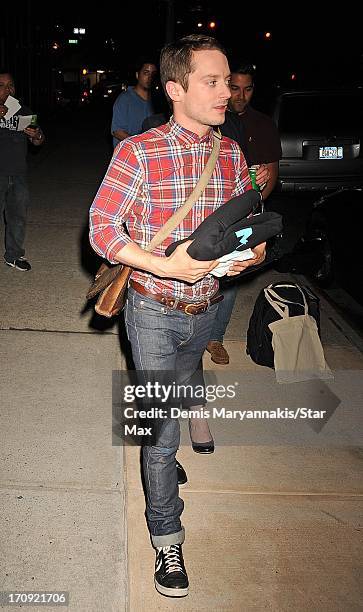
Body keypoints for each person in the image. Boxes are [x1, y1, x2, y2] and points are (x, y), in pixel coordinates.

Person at [89, 34, 266, 598]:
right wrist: (165, 265)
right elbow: (100, 229)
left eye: (228, 80)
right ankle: (167, 534)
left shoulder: (231, 151)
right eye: (211, 82)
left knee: (187, 385)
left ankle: (166, 460)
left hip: (209, 309)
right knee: (161, 433)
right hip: (152, 310)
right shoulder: (138, 153)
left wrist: (251, 251)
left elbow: (247, 216)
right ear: (175, 89)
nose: (225, 92)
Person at [206, 62, 282, 365]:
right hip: (210, 208)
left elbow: (270, 174)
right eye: (232, 86)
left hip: (243, 209)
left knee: (232, 276)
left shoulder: (262, 124)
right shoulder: (213, 118)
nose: (238, 94)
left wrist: (250, 208)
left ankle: (216, 338)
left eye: (246, 88)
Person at [0, 71, 45, 271]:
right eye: (2, 85)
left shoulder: (24, 111)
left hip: (18, 174)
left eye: (11, 85)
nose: (8, 90)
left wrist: (36, 134)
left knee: (17, 218)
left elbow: (39, 141)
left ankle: (14, 255)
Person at [111, 60, 157, 148]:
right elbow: (117, 131)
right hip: (127, 154)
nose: (150, 77)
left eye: (153, 74)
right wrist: (141, 144)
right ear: (137, 75)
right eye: (146, 73)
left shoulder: (157, 100)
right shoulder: (124, 99)